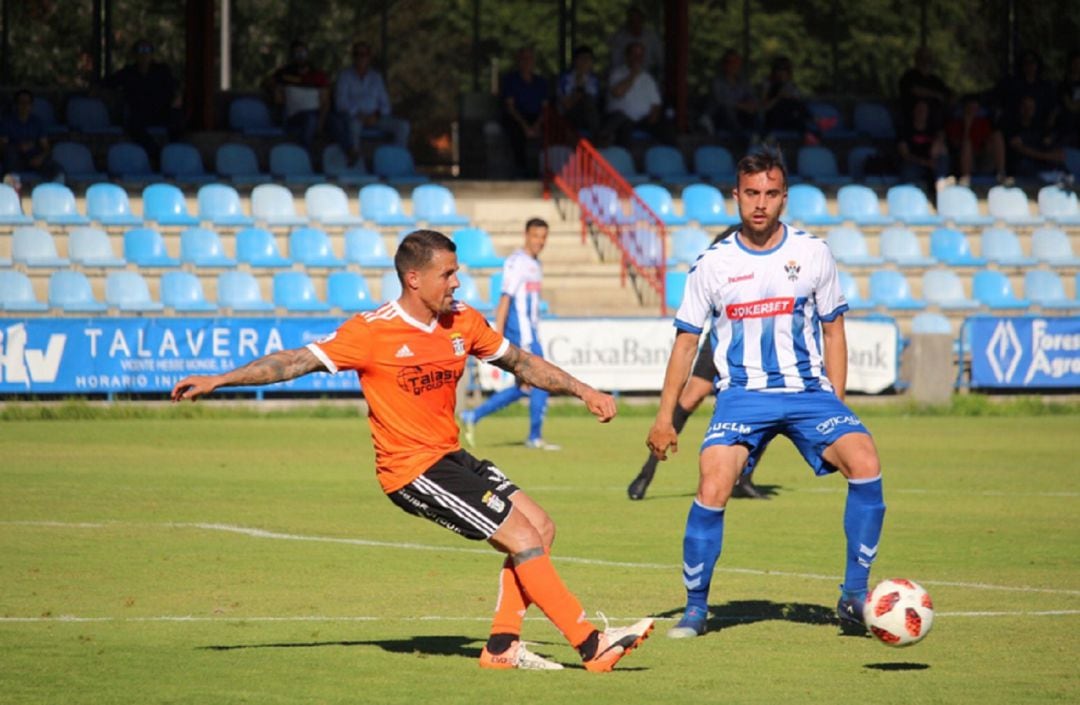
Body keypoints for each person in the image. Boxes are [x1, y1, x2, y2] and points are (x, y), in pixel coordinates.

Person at [171, 229, 654, 671]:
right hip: (412, 470)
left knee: (540, 528)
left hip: (450, 455)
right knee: (523, 539)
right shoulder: (371, 331)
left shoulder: (463, 321)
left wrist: (584, 389)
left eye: (457, 272)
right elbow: (295, 360)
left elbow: (521, 362)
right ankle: (591, 645)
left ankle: (502, 647)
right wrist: (221, 379)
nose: (457, 283)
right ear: (414, 278)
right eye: (448, 274)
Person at [647, 151, 886, 640]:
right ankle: (695, 609)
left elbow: (834, 332)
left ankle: (855, 596)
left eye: (770, 194)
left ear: (784, 197)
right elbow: (687, 343)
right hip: (742, 396)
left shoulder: (814, 252)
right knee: (713, 482)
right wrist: (664, 417)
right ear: (736, 196)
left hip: (808, 393)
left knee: (865, 461)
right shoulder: (713, 263)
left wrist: (835, 402)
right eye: (751, 193)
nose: (760, 204)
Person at [628, 227, 766, 502]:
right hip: (720, 339)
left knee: (763, 408)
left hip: (755, 343)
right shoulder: (726, 244)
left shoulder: (769, 251)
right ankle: (648, 470)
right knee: (689, 399)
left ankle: (745, 477)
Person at [460, 218, 559, 451]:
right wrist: (498, 336)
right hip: (522, 336)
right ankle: (534, 437)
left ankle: (472, 415)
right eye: (536, 236)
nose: (540, 241)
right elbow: (505, 300)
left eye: (544, 237)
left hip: (531, 333)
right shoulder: (516, 262)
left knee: (523, 387)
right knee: (543, 382)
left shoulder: (536, 264)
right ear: (526, 235)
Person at [103, 39, 183, 162]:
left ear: (152, 53)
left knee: (177, 119)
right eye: (140, 50)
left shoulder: (162, 71)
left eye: (147, 50)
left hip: (161, 112)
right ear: (135, 54)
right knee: (132, 125)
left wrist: (176, 98)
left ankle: (175, 153)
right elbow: (108, 83)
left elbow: (175, 87)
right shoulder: (128, 72)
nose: (144, 54)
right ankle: (155, 154)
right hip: (140, 114)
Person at [334, 41, 410, 159]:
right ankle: (354, 160)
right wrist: (359, 114)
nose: (360, 58)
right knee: (353, 126)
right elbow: (341, 102)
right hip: (354, 118)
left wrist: (376, 115)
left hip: (376, 118)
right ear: (353, 57)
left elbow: (385, 104)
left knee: (403, 126)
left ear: (369, 57)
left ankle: (397, 160)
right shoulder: (345, 76)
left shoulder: (376, 77)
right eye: (357, 54)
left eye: (364, 54)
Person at [599, 41, 674, 148]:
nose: (637, 58)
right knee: (624, 125)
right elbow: (618, 93)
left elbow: (656, 103)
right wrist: (633, 75)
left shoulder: (648, 78)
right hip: (621, 119)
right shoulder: (617, 73)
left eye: (640, 55)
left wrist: (654, 115)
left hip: (643, 120)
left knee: (666, 126)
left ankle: (670, 156)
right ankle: (623, 159)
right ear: (627, 56)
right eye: (634, 55)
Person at [268, 40, 332, 150]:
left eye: (302, 53)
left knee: (338, 122)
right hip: (294, 116)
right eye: (297, 53)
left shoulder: (318, 75)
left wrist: (320, 124)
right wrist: (276, 91)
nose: (300, 56)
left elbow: (325, 101)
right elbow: (270, 84)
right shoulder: (284, 73)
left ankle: (350, 151)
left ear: (307, 54)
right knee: (310, 119)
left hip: (316, 114)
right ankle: (304, 153)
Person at [500, 47, 549, 177]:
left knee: (550, 131)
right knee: (515, 132)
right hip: (517, 117)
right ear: (518, 61)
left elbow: (545, 108)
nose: (527, 62)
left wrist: (537, 126)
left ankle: (547, 171)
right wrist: (526, 127)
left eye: (529, 58)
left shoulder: (541, 82)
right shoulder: (510, 80)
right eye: (523, 58)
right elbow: (510, 107)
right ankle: (521, 171)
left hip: (537, 118)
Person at [945, 94, 1006, 186]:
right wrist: (967, 126)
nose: (972, 111)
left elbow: (988, 142)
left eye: (975, 109)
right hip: (964, 162)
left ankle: (1001, 174)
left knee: (997, 136)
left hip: (983, 160)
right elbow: (955, 146)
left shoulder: (983, 123)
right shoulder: (956, 124)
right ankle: (966, 179)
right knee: (967, 144)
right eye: (970, 108)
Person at [1, 89, 60, 183]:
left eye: (27, 103)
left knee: (56, 169)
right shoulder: (7, 122)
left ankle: (55, 193)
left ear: (32, 105)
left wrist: (40, 158)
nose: (24, 105)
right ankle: (13, 191)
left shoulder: (37, 122)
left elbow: (46, 147)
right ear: (16, 105)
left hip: (34, 158)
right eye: (21, 102)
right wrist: (18, 147)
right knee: (10, 155)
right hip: (15, 159)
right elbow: (2, 146)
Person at [897, 98, 950, 193]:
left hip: (934, 164)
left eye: (924, 110)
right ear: (913, 111)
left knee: (943, 151)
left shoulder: (934, 128)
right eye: (919, 109)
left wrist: (938, 143)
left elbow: (941, 140)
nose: (921, 112)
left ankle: (941, 183)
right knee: (908, 170)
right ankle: (906, 196)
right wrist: (925, 162)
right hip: (915, 164)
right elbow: (905, 155)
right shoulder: (905, 129)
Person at [704, 50, 758, 140]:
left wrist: (750, 106)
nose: (734, 65)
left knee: (756, 111)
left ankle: (760, 136)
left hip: (740, 116)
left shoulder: (743, 82)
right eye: (730, 62)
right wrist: (740, 106)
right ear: (724, 64)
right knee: (727, 110)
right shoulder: (717, 82)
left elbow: (753, 98)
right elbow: (721, 102)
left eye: (736, 62)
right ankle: (742, 137)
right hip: (721, 117)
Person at [759, 56, 814, 141]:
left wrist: (791, 97)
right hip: (772, 119)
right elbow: (764, 108)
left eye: (785, 69)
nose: (782, 72)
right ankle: (815, 121)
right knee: (787, 103)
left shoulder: (790, 86)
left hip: (788, 118)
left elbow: (797, 105)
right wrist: (778, 97)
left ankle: (813, 133)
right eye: (779, 69)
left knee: (797, 115)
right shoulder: (768, 84)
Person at [898, 47, 952, 129]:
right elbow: (914, 90)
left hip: (936, 122)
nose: (926, 61)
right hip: (912, 122)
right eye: (922, 57)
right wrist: (935, 95)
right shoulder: (909, 76)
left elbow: (947, 94)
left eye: (929, 58)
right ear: (916, 59)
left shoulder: (935, 80)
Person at [557, 46, 602, 135]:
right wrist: (579, 87)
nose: (585, 62)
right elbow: (567, 105)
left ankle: (598, 136)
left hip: (588, 118)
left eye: (588, 59)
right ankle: (598, 137)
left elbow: (594, 105)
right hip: (568, 116)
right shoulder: (565, 79)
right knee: (586, 99)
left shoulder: (594, 80)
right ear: (575, 61)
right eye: (582, 58)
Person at [608, 5, 663, 77]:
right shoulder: (620, 38)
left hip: (648, 75)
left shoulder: (651, 37)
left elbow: (661, 59)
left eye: (638, 20)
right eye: (632, 21)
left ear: (643, 21)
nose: (635, 24)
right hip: (625, 77)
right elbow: (615, 62)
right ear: (628, 22)